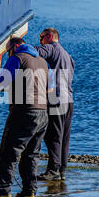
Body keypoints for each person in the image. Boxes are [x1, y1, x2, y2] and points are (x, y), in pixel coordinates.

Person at [0, 37, 53, 197]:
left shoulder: (17, 58)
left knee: (8, 153)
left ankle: (3, 190)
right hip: (42, 113)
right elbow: (50, 88)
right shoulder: (42, 61)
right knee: (31, 154)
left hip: (23, 112)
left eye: (7, 52)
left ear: (16, 46)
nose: (8, 55)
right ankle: (29, 191)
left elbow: (0, 81)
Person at [35, 28, 75, 181]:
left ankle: (53, 170)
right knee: (64, 137)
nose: (40, 41)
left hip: (56, 99)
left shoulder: (52, 48)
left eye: (41, 38)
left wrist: (21, 46)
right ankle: (61, 170)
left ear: (50, 36)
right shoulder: (68, 56)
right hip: (69, 100)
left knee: (53, 136)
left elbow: (38, 52)